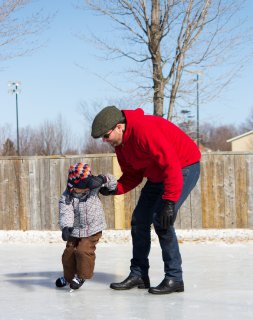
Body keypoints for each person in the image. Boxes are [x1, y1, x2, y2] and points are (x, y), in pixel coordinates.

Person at [91, 106, 201, 295]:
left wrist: (169, 201)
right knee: (139, 220)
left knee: (162, 219)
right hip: (158, 174)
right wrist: (115, 189)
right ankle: (139, 274)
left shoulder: (144, 130)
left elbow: (171, 164)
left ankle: (175, 277)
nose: (104, 140)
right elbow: (133, 175)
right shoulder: (121, 145)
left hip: (183, 166)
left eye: (106, 135)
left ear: (119, 127)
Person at [55, 162, 117, 290]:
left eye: (87, 185)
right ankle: (68, 278)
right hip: (75, 229)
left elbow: (113, 183)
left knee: (83, 251)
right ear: (73, 185)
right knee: (68, 254)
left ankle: (81, 276)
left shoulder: (93, 187)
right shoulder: (67, 196)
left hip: (93, 228)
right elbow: (65, 211)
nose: (85, 189)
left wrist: (103, 178)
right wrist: (66, 227)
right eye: (82, 186)